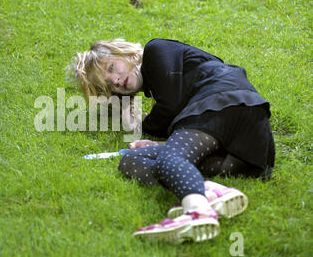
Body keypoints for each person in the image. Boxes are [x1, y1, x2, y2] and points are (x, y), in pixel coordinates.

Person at [69, 38, 275, 244]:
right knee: (131, 161)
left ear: (128, 54)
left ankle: (198, 211)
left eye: (112, 67)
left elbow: (171, 103)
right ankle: (211, 192)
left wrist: (143, 126)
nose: (114, 80)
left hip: (227, 102)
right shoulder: (160, 91)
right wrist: (161, 142)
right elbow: (173, 113)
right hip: (239, 155)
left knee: (170, 158)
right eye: (108, 84)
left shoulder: (156, 50)